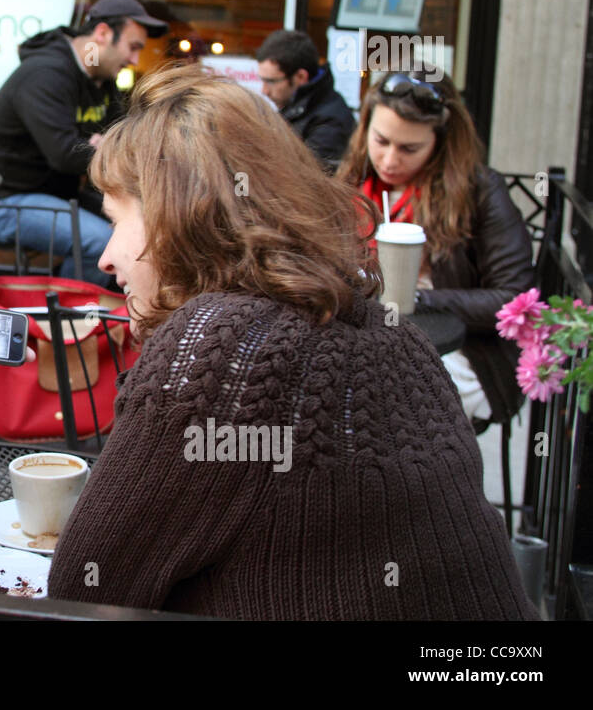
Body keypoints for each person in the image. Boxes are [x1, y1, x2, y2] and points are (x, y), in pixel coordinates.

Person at [46, 65, 535, 619]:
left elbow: (83, 595)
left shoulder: (221, 348)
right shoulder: (405, 346)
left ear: (176, 215)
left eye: (116, 219)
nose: (106, 258)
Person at [336, 68, 534, 426]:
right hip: (371, 338)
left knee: (374, 401)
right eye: (380, 140)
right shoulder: (350, 184)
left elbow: (512, 300)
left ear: (441, 142)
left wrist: (414, 298)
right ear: (364, 128)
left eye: (410, 148)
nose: (390, 160)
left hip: (465, 352)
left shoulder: (481, 191)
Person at [0, 0, 167, 285]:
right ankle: (70, 325)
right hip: (4, 202)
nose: (134, 60)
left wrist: (103, 145)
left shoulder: (101, 80)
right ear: (103, 34)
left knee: (145, 227)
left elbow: (120, 139)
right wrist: (97, 145)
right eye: (133, 48)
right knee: (100, 242)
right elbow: (65, 155)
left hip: (59, 197)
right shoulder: (45, 74)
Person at [255, 28, 354, 170]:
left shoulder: (330, 122)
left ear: (300, 77)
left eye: (271, 82)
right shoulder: (296, 107)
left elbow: (309, 178)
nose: (264, 90)